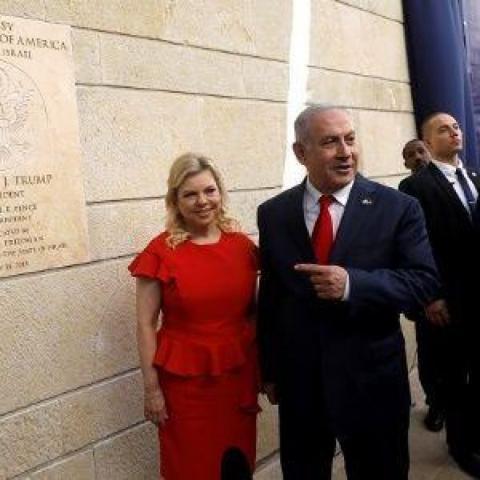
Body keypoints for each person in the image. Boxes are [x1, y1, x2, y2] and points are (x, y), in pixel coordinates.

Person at [257, 105, 440, 480]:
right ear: (301, 152)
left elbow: (423, 281)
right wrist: (271, 369)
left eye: (350, 139)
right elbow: (272, 297)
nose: (345, 152)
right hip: (302, 384)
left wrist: (353, 285)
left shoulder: (399, 207)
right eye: (330, 142)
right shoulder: (274, 213)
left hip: (372, 383)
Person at [128, 153, 258, 480]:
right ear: (175, 200)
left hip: (237, 381)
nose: (202, 201)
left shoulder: (242, 247)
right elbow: (145, 325)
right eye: (190, 194)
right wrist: (151, 389)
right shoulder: (160, 251)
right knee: (191, 467)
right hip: (185, 389)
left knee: (237, 465)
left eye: (209, 191)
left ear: (220, 193)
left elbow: (254, 313)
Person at [399, 112, 480, 477]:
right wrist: (429, 297)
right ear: (428, 143)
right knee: (455, 377)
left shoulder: (473, 176)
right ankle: (461, 446)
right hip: (448, 301)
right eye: (443, 130)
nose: (454, 133)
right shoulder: (415, 187)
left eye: (456, 127)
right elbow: (415, 248)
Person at [399, 140, 446, 432]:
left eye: (421, 151)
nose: (417, 157)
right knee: (430, 353)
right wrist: (428, 296)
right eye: (410, 155)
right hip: (428, 291)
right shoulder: (408, 189)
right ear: (405, 164)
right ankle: (436, 404)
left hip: (456, 288)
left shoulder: (454, 182)